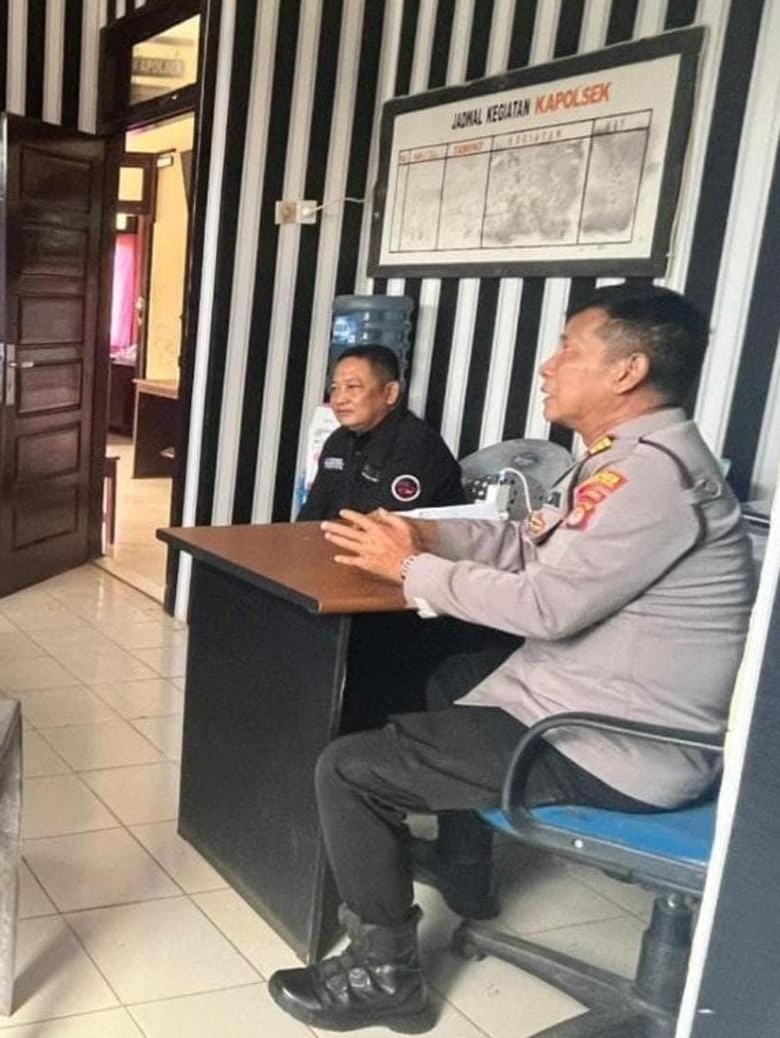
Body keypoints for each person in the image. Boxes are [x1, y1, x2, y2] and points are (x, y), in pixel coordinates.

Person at [268, 284, 755, 1033]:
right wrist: (426, 533)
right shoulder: (628, 459)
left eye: (568, 349)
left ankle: (384, 975)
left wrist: (409, 569)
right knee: (452, 674)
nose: (548, 366)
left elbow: (544, 605)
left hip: (617, 740)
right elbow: (527, 542)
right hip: (593, 696)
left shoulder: (650, 479)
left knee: (349, 768)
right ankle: (466, 868)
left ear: (627, 371)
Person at [298, 344, 464, 521]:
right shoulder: (338, 440)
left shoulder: (416, 444)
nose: (339, 399)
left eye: (352, 387)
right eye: (334, 388)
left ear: (390, 392)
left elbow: (386, 524)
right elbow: (313, 512)